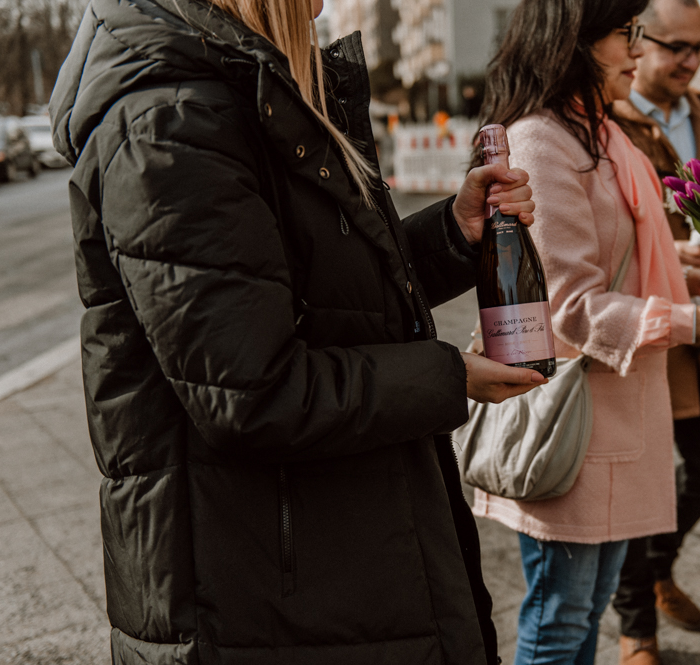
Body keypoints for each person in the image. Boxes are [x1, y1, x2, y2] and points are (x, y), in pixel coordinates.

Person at [47, 0, 544, 661]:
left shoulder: (240, 87)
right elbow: (253, 390)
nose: (323, 3)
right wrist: (449, 376)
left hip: (322, 561)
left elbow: (329, 297)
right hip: (261, 592)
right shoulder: (167, 121)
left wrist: (455, 231)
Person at [472, 1, 700, 663]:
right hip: (576, 424)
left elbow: (629, 249)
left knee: (588, 612)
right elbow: (571, 307)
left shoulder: (600, 132)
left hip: (623, 418)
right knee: (560, 623)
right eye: (627, 36)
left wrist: (694, 273)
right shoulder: (542, 139)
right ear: (575, 42)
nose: (638, 53)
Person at [609, 1, 700, 660]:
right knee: (640, 485)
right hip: (642, 330)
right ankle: (637, 628)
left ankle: (657, 564)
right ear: (637, 42)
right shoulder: (606, 120)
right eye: (678, 47)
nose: (692, 60)